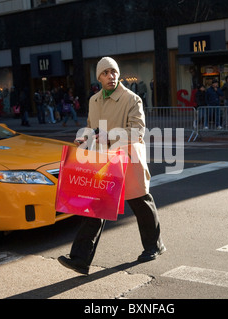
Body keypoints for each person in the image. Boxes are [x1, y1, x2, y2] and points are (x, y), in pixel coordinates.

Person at [57, 57, 166, 275]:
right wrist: (84, 138)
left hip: (128, 159)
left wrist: (109, 137)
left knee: (141, 204)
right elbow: (91, 127)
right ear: (99, 77)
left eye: (114, 72)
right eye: (105, 73)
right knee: (95, 207)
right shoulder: (94, 100)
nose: (111, 76)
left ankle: (155, 246)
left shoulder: (132, 99)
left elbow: (138, 131)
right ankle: (80, 259)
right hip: (104, 162)